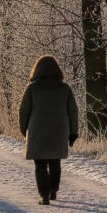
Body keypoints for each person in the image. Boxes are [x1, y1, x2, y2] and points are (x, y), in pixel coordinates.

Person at [18, 55, 79, 205]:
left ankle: (44, 195)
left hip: (37, 130)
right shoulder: (65, 88)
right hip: (59, 131)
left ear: (37, 70)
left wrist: (23, 129)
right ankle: (53, 189)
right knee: (55, 161)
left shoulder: (32, 88)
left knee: (40, 164)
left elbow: (23, 111)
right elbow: (73, 111)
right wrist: (73, 132)